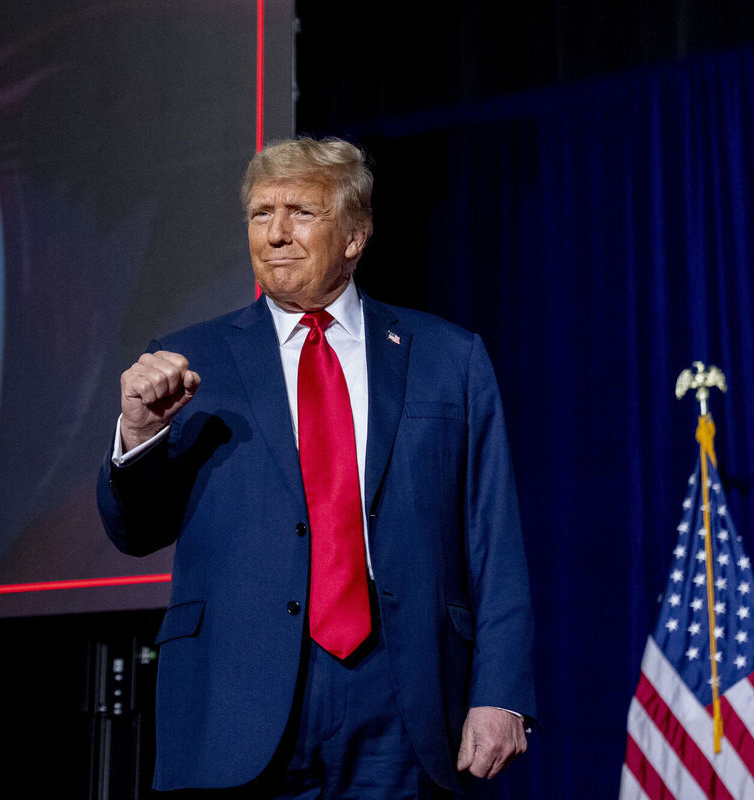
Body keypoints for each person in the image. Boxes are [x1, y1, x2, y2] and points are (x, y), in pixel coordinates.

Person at [97, 137, 535, 798]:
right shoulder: (190, 360)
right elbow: (134, 531)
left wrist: (501, 691)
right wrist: (139, 433)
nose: (275, 233)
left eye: (301, 212)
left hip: (402, 690)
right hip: (235, 692)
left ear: (355, 235)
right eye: (260, 214)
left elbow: (493, 538)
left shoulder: (448, 358)